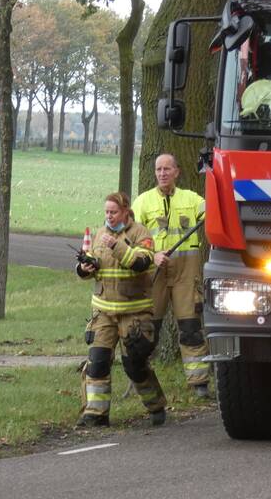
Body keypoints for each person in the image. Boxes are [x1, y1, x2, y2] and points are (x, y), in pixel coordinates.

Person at [76, 192, 167, 427]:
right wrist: (85, 268)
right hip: (103, 312)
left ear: (125, 211)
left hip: (133, 312)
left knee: (134, 365)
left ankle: (156, 405)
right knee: (97, 361)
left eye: (113, 212)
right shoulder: (99, 234)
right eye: (106, 212)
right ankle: (95, 414)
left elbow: (141, 264)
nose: (109, 216)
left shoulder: (141, 234)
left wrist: (117, 246)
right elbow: (93, 269)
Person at [132, 154, 211, 398]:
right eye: (158, 169)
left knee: (190, 326)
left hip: (186, 272)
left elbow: (214, 211)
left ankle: (199, 383)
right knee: (147, 327)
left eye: (167, 169)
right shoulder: (143, 202)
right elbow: (129, 238)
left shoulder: (192, 199)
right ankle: (140, 378)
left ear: (177, 171)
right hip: (154, 271)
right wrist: (152, 255)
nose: (162, 173)